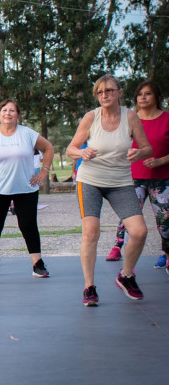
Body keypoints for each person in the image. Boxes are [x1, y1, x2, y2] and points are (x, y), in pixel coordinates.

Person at [66, 74, 152, 306]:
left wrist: (139, 153)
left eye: (109, 91)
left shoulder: (130, 117)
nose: (104, 95)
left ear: (119, 93)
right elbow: (71, 148)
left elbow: (147, 148)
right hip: (90, 180)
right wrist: (81, 153)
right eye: (100, 92)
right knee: (91, 232)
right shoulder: (91, 117)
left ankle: (126, 275)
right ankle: (89, 287)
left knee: (140, 231)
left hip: (120, 181)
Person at [0, 100, 55, 278]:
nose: (8, 113)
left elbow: (48, 148)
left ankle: (37, 264)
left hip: (26, 188)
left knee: (28, 225)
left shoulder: (27, 134)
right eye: (4, 110)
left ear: (18, 115)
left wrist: (44, 172)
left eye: (12, 110)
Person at [106, 81, 168, 272]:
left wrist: (160, 161)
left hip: (162, 178)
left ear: (157, 97)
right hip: (133, 177)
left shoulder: (166, 119)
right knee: (128, 214)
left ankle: (166, 252)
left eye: (148, 94)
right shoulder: (130, 119)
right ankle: (117, 246)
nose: (143, 97)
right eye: (140, 94)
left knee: (164, 219)